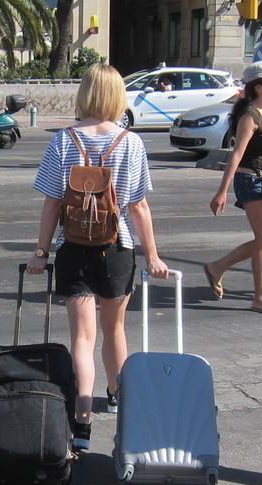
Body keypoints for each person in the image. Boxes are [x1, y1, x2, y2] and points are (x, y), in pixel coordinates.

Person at [25, 63, 170, 453]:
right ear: (117, 97)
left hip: (74, 249)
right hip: (117, 249)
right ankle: (120, 401)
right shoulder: (131, 143)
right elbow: (138, 207)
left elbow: (51, 202)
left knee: (82, 339)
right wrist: (152, 256)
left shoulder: (62, 141)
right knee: (115, 331)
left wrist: (41, 252)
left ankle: (83, 420)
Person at [202, 60, 262, 316]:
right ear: (257, 86)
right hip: (251, 179)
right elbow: (236, 154)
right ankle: (260, 297)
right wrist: (222, 191)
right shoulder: (249, 116)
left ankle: (217, 267)